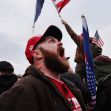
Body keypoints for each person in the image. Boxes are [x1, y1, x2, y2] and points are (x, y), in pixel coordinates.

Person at [0, 25, 86, 111]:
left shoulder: (70, 86)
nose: (60, 43)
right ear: (37, 54)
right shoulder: (24, 90)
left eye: (58, 40)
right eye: (51, 41)